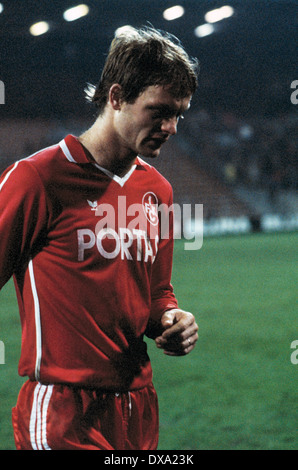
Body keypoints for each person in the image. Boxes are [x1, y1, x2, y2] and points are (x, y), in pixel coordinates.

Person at [0, 26, 199, 450]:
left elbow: (158, 293)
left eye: (179, 114)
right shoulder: (38, 179)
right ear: (115, 97)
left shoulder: (157, 191)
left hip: (137, 407)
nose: (171, 127)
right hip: (62, 408)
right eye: (159, 111)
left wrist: (171, 320)